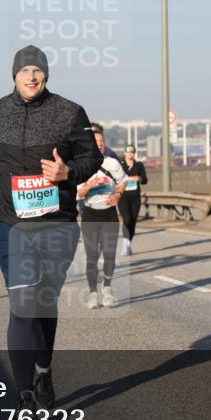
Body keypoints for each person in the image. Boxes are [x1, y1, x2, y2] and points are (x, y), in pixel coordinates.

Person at [0, 44, 102, 418]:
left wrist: (68, 172)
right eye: (24, 70)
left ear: (46, 75)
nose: (31, 76)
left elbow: (92, 158)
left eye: (37, 70)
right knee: (23, 304)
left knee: (43, 301)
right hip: (11, 223)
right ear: (14, 75)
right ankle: (23, 395)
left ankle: (43, 368)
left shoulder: (69, 112)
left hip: (56, 223)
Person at [77, 131, 127, 309]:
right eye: (95, 141)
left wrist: (118, 195)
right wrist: (89, 185)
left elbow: (123, 182)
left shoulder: (112, 163)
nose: (99, 144)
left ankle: (107, 288)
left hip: (109, 214)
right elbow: (78, 193)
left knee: (109, 253)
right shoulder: (81, 165)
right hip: (90, 214)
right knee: (92, 256)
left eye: (101, 141)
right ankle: (93, 293)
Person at [118, 145, 148, 255]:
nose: (130, 154)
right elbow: (115, 179)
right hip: (123, 197)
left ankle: (128, 243)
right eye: (128, 152)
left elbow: (145, 180)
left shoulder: (139, 165)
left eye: (132, 152)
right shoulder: (120, 166)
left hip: (135, 198)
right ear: (125, 153)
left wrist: (139, 178)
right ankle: (125, 244)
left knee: (133, 222)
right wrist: (126, 179)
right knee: (127, 220)